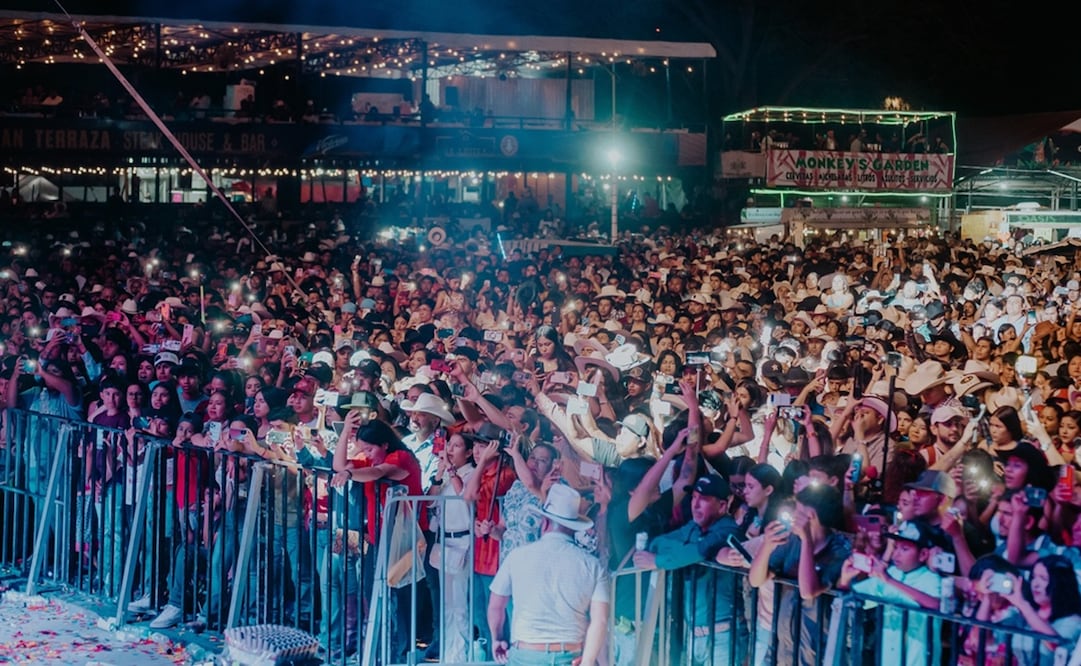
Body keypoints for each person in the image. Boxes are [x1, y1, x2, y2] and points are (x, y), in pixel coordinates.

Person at [488, 483, 609, 666]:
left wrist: (497, 639)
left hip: (525, 653)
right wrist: (588, 660)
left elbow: (496, 606)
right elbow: (600, 620)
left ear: (544, 523)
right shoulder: (592, 565)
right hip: (569, 655)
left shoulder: (516, 556)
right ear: (575, 527)